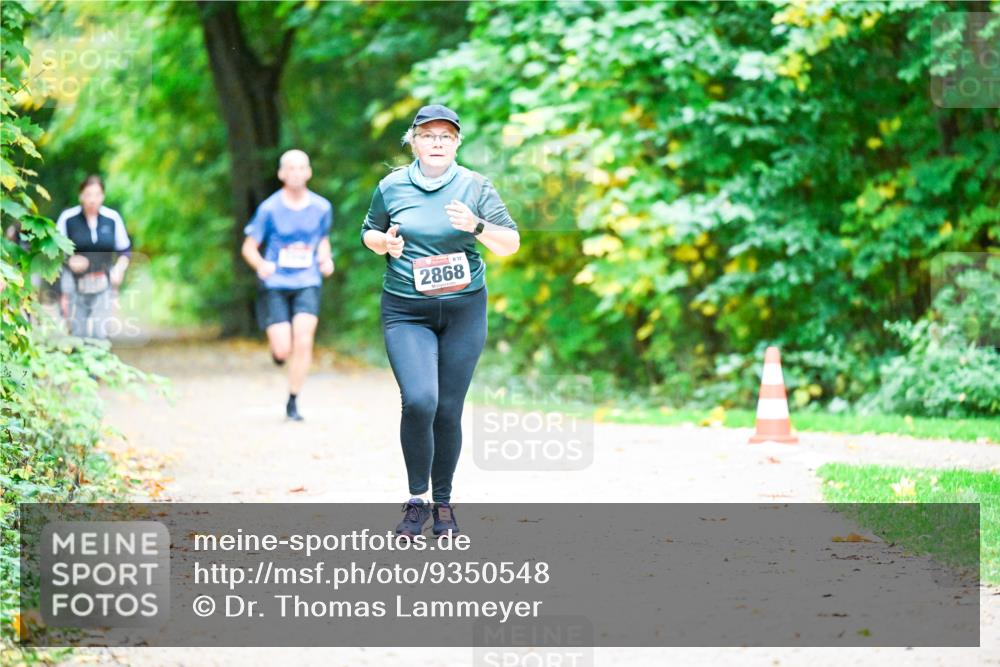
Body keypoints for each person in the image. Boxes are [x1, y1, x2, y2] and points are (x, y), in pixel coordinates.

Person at [361, 104, 520, 538]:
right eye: (428, 135)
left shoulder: (475, 186)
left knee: (448, 409)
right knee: (420, 400)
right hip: (406, 309)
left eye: (445, 137)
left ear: (457, 143)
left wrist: (477, 226)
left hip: (464, 309)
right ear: (412, 139)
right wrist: (384, 244)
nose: (436, 143)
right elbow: (369, 231)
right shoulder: (391, 186)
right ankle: (416, 501)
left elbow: (510, 243)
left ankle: (443, 505)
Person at [241, 149, 335, 421]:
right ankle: (279, 353)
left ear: (309, 172)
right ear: (281, 173)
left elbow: (322, 240)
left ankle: (293, 400)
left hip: (307, 280)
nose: (295, 173)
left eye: (301, 168)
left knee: (303, 341)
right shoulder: (269, 208)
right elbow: (249, 247)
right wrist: (261, 266)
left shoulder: (322, 207)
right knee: (283, 348)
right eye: (290, 168)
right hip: (276, 283)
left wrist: (325, 258)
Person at [56, 175, 132, 340]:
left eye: (97, 195)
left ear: (103, 196)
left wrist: (119, 269)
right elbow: (54, 252)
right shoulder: (68, 219)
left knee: (100, 334)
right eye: (88, 194)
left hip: (103, 282)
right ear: (81, 196)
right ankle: (76, 364)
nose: (92, 200)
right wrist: (70, 260)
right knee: (77, 335)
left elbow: (124, 250)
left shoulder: (112, 218)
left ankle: (100, 363)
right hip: (74, 285)